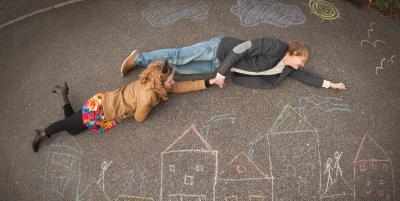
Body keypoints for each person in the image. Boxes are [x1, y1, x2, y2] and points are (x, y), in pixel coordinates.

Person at [32, 61, 214, 152]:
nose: (174, 82)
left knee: (73, 127)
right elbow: (139, 118)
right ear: (160, 82)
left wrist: (208, 82)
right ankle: (43, 132)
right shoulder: (149, 95)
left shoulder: (152, 81)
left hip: (104, 101)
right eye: (171, 79)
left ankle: (63, 94)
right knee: (69, 126)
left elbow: (181, 87)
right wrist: (147, 107)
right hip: (101, 110)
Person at [120, 36, 346, 90]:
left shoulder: (286, 68)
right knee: (179, 56)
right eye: (303, 60)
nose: (302, 65)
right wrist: (221, 73)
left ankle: (150, 69)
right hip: (220, 49)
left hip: (219, 68)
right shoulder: (276, 47)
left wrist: (329, 84)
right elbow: (242, 48)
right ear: (295, 52)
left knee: (180, 69)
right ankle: (138, 58)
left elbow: (305, 76)